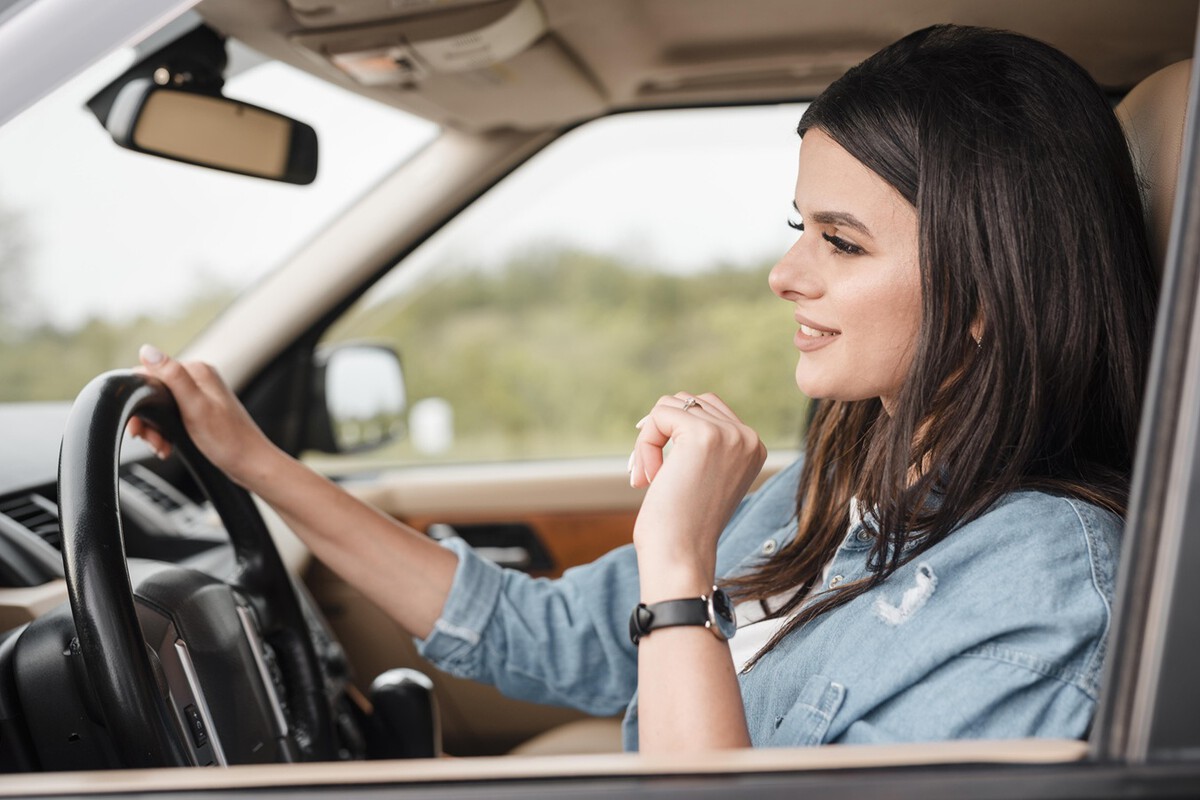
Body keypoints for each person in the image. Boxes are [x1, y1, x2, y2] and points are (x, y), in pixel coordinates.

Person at [130, 24, 1158, 752]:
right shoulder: (836, 483)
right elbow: (536, 635)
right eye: (797, 228)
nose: (785, 274)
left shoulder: (1048, 590)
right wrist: (254, 462)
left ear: (989, 291)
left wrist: (677, 569)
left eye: (841, 242)